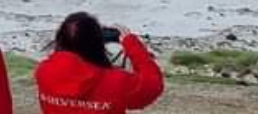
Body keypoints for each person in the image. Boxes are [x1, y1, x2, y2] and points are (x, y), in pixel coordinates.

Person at [34, 13, 163, 114]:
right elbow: (152, 86)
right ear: (98, 44)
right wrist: (132, 44)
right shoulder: (115, 82)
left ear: (60, 40)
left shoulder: (44, 72)